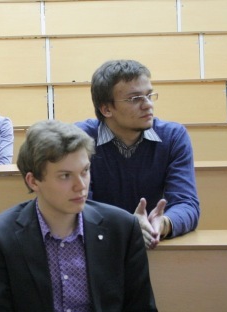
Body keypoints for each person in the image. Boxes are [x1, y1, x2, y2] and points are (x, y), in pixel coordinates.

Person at [0, 120, 157, 312]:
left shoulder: (121, 228)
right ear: (33, 181)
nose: (81, 186)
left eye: (85, 171)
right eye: (65, 176)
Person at [76, 59, 199, 249]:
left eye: (149, 95)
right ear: (106, 109)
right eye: (135, 99)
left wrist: (162, 224)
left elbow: (186, 203)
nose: (148, 105)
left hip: (151, 242)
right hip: (97, 245)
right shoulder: (79, 139)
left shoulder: (173, 136)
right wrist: (128, 227)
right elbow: (79, 207)